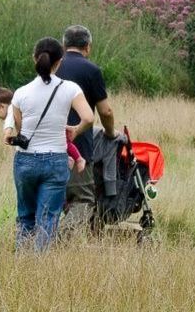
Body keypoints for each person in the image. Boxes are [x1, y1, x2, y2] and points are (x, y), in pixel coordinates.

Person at [10, 37, 94, 252]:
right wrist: (75, 130)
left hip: (26, 160)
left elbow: (20, 128)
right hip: (55, 159)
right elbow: (89, 117)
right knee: (47, 218)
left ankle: (22, 263)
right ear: (60, 61)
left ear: (34, 59)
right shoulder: (70, 89)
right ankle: (40, 267)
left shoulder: (21, 92)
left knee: (25, 216)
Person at [56, 25, 116, 236]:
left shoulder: (52, 67)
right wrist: (110, 133)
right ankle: (59, 240)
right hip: (77, 147)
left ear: (63, 45)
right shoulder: (91, 70)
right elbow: (105, 111)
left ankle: (38, 242)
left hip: (45, 145)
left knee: (52, 198)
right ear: (87, 47)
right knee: (82, 200)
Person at [0, 87, 85, 174]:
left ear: (2, 106)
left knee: (63, 143)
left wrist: (7, 133)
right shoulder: (23, 103)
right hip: (48, 129)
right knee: (54, 145)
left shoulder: (12, 107)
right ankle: (68, 159)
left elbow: (9, 122)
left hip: (44, 134)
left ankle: (77, 159)